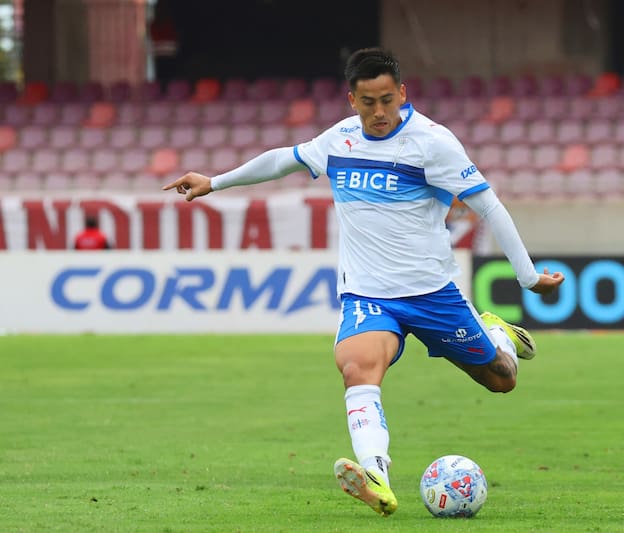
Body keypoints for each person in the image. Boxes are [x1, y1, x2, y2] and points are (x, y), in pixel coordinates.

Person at [163, 48, 564, 516]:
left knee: (502, 380)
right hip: (368, 294)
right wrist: (215, 182)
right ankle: (377, 474)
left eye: (388, 100)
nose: (379, 112)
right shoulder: (340, 139)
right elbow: (283, 160)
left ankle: (497, 331)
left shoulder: (433, 143)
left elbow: (489, 206)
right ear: (351, 99)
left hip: (432, 293)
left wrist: (528, 276)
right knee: (356, 368)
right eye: (369, 101)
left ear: (403, 94)